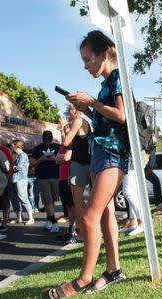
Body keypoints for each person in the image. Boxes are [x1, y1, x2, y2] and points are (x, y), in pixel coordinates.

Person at [48, 30, 129, 297]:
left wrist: (92, 102)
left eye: (88, 59)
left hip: (113, 155)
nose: (85, 65)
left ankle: (84, 278)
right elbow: (107, 119)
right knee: (104, 214)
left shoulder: (117, 77)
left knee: (89, 216)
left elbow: (122, 116)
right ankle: (113, 270)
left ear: (104, 54)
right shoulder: (107, 82)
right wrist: (88, 110)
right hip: (101, 153)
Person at [59, 103, 91, 242]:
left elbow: (66, 142)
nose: (68, 114)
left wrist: (64, 126)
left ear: (74, 111)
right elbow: (70, 144)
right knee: (83, 201)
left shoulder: (78, 121)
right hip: (85, 162)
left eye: (69, 112)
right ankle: (86, 230)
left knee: (78, 202)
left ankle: (82, 233)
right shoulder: (85, 122)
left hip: (80, 164)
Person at [11, 140, 35, 225]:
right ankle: (19, 218)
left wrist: (10, 166)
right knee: (15, 199)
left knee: (23, 198)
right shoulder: (18, 155)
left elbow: (19, 167)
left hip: (21, 179)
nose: (11, 147)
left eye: (12, 145)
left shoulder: (23, 155)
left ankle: (31, 218)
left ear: (16, 146)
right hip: (15, 179)